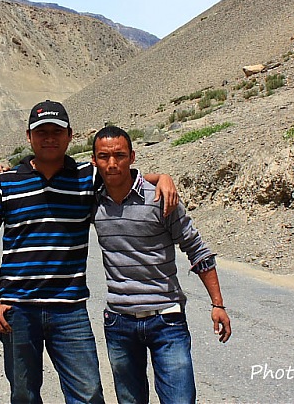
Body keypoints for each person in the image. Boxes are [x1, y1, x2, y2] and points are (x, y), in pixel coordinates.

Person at [0, 100, 179, 404]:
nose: (49, 138)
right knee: (23, 394)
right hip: (18, 309)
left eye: (56, 131)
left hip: (69, 309)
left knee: (88, 393)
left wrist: (161, 178)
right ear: (29, 137)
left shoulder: (87, 177)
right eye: (41, 132)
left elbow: (121, 178)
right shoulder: (4, 183)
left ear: (70, 135)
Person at [91, 125, 231, 404]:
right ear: (94, 161)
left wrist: (217, 304)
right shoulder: (91, 198)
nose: (112, 163)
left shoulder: (160, 198)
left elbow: (196, 249)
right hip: (119, 322)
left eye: (119, 155)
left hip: (166, 320)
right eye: (104, 157)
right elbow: (52, 174)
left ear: (132, 156)